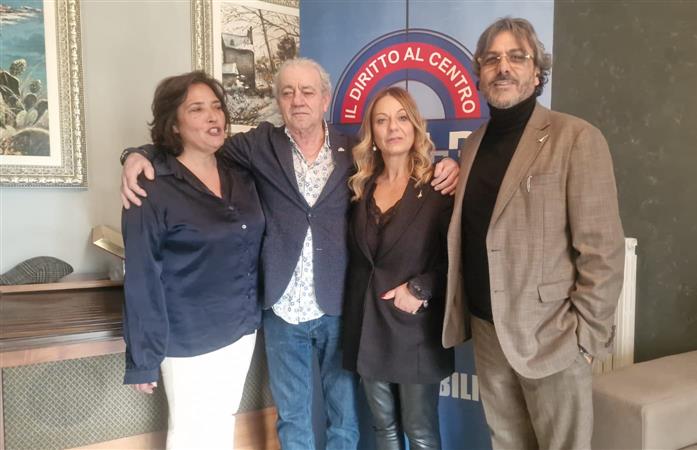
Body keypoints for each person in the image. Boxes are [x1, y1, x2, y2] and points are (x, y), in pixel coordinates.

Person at [119, 58, 459, 450]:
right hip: (281, 309)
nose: (298, 100)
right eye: (287, 92)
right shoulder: (257, 145)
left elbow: (405, 163)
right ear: (278, 101)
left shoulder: (355, 150)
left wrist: (450, 166)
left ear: (325, 99)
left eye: (308, 91)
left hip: (339, 306)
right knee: (293, 419)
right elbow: (197, 144)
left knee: (344, 418)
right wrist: (138, 154)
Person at [441, 17, 625, 450]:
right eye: (491, 59)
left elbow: (603, 251)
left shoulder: (576, 138)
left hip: (552, 336)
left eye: (516, 57)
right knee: (506, 443)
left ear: (537, 72)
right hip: (488, 330)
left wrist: (585, 340)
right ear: (480, 73)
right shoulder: (473, 144)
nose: (502, 67)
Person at [121, 71, 263, 450]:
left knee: (221, 425)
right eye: (197, 109)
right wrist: (143, 358)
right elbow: (142, 275)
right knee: (190, 436)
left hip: (241, 328)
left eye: (216, 107)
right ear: (174, 124)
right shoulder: (150, 186)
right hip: (189, 336)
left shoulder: (240, 173)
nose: (213, 116)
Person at [342, 87, 454, 450]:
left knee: (419, 432)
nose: (393, 127)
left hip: (414, 329)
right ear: (372, 133)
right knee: (383, 428)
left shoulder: (438, 186)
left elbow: (457, 259)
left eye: (402, 117)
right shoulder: (359, 188)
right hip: (368, 326)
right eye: (382, 119)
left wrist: (420, 289)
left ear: (415, 127)